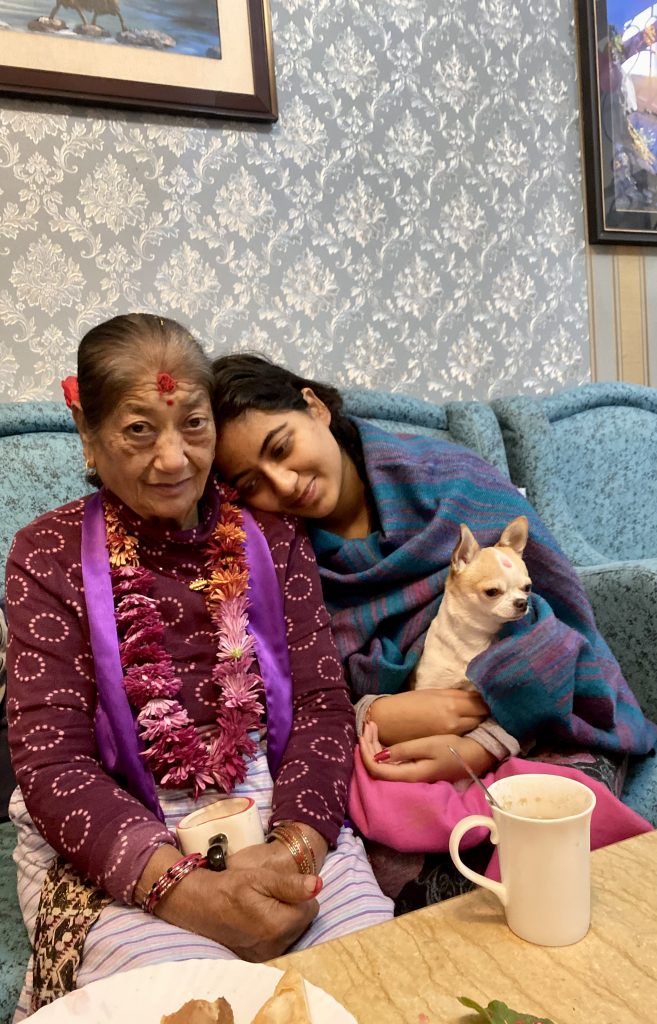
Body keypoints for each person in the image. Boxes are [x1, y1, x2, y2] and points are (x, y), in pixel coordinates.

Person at [5, 317, 392, 1020]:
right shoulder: (46, 553)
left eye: (192, 423)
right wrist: (185, 891)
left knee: (367, 978)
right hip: (120, 834)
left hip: (278, 810)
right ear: (88, 436)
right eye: (138, 430)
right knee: (189, 998)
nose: (174, 459)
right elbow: (53, 766)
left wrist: (295, 847)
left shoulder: (272, 537)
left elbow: (322, 710)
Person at [211, 354, 657, 904]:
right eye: (252, 482)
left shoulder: (450, 480)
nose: (283, 482)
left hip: (542, 720)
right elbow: (295, 696)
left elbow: (553, 622)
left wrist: (484, 742)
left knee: (548, 833)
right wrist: (372, 713)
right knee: (397, 875)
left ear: (315, 406)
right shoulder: (275, 557)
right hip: (399, 747)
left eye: (281, 448)